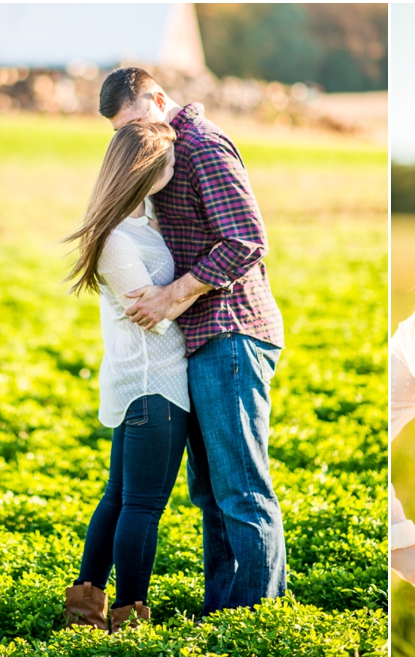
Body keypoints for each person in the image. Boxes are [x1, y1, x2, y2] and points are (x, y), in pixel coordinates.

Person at [96, 67, 286, 615]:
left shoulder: (201, 147)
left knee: (240, 487)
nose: (130, 139)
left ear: (158, 99)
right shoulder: (160, 155)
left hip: (231, 331)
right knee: (210, 492)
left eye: (135, 122)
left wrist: (172, 295)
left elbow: (247, 240)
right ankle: (223, 607)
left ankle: (257, 613)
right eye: (118, 133)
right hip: (199, 337)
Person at [62, 121, 199, 632]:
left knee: (119, 498)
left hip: (144, 386)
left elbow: (158, 302)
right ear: (147, 171)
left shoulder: (143, 223)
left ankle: (85, 610)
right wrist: (205, 283)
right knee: (141, 505)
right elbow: (154, 311)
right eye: (168, 162)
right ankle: (128, 616)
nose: (175, 167)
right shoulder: (119, 238)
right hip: (153, 385)